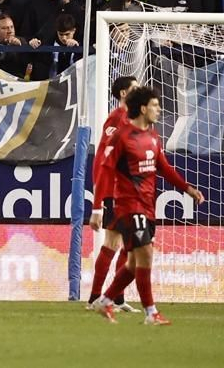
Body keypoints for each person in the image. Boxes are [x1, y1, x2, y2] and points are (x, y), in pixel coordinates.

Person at [93, 86, 206, 324]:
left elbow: (163, 167)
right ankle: (151, 312)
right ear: (143, 108)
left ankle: (105, 301)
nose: (159, 109)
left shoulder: (153, 136)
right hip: (128, 205)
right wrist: (97, 208)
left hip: (147, 206)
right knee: (145, 255)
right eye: (154, 105)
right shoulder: (122, 136)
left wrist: (187, 188)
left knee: (134, 263)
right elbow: (104, 172)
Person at [87, 75, 140, 312]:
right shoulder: (116, 118)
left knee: (130, 245)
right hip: (114, 191)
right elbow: (103, 157)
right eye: (135, 89)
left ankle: (117, 297)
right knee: (113, 242)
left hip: (131, 191)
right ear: (123, 94)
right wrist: (99, 198)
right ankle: (95, 297)